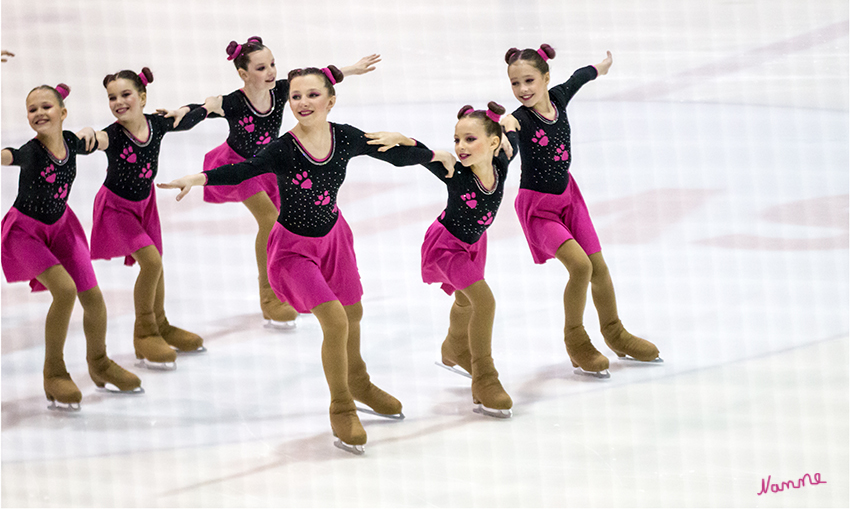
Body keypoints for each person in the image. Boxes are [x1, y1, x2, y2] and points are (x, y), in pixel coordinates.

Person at [158, 66, 455, 454]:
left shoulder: (345, 137)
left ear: (330, 101)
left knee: (353, 313)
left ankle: (359, 381)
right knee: (333, 319)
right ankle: (341, 406)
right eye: (296, 96)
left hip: (334, 239)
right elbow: (244, 169)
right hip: (292, 250)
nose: (303, 102)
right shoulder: (283, 148)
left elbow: (395, 154)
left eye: (313, 95)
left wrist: (432, 152)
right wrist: (198, 178)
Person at [161, 37, 381, 329]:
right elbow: (201, 110)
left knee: (288, 225)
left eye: (273, 64)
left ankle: (299, 286)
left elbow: (325, 78)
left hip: (272, 164)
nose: (271, 72)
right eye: (262, 67)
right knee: (269, 219)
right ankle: (269, 298)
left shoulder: (282, 92)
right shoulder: (234, 102)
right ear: (243, 74)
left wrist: (353, 69)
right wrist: (182, 112)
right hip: (240, 166)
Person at [501, 45, 662, 378]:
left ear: (546, 78)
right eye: (515, 84)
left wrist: (601, 66)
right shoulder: (519, 120)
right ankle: (576, 340)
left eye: (529, 80)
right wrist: (504, 137)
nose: (523, 90)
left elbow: (580, 77)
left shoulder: (558, 98)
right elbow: (511, 144)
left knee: (598, 266)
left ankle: (615, 332)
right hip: (538, 209)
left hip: (569, 198)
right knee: (580, 266)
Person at [367, 102, 518, 418]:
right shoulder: (454, 171)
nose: (461, 147)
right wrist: (404, 140)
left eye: (470, 139)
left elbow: (515, 129)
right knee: (483, 302)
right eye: (457, 140)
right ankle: (485, 378)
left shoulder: (502, 160)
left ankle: (454, 348)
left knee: (465, 301)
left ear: (492, 142)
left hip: (476, 243)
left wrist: (510, 121)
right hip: (446, 246)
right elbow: (415, 155)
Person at [1, 83, 142, 410]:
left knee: (93, 298)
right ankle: (54, 373)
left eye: (46, 107)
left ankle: (100, 363)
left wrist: (95, 132)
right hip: (26, 231)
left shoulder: (72, 143)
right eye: (33, 109)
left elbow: (99, 139)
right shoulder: (32, 151)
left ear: (63, 113)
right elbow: (9, 155)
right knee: (64, 291)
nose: (39, 113)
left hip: (63, 227)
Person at [82, 68, 212, 370]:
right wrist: (84, 134)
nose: (118, 102)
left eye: (125, 94)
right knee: (151, 263)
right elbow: (88, 142)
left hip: (145, 204)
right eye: (112, 97)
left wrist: (197, 108)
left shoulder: (156, 124)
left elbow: (189, 119)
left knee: (157, 264)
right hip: (116, 208)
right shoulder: (112, 135)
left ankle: (162, 324)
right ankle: (144, 332)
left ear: (142, 97)